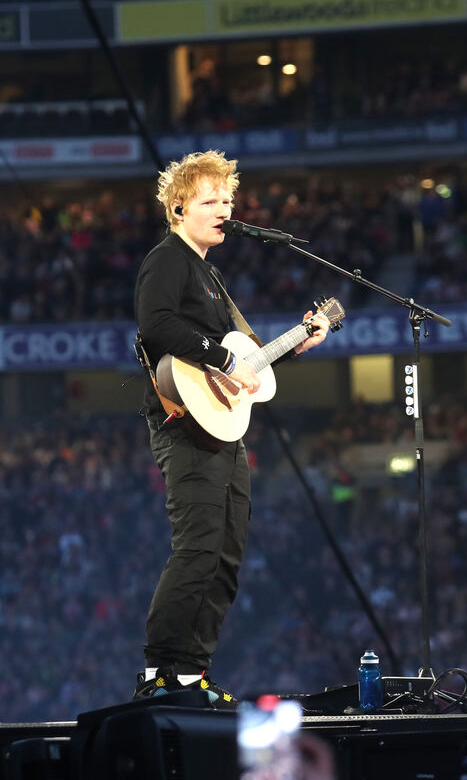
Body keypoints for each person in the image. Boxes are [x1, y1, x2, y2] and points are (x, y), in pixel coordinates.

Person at [132, 151, 330, 707]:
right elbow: (156, 325)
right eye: (210, 201)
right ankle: (157, 673)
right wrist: (220, 356)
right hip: (185, 422)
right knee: (197, 547)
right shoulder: (168, 259)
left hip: (220, 426)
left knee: (226, 550)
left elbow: (244, 362)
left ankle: (192, 673)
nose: (224, 209)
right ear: (178, 207)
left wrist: (296, 343)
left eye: (228, 201)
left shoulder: (209, 273)